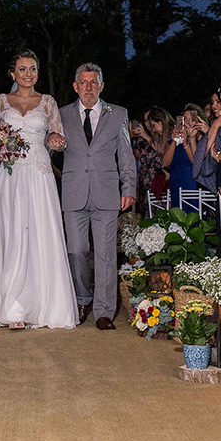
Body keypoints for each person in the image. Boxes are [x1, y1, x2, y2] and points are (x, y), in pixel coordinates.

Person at [0, 50, 77, 330]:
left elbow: (57, 137)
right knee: (11, 232)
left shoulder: (47, 102)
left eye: (32, 69)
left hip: (38, 174)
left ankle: (42, 304)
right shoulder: (1, 101)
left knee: (38, 233)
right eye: (22, 69)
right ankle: (11, 307)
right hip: (8, 176)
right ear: (12, 74)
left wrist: (57, 142)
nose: (28, 74)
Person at [59, 62, 137, 330]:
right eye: (84, 82)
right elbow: (49, 149)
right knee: (76, 251)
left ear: (102, 86)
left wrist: (128, 189)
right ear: (75, 86)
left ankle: (104, 311)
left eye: (94, 82)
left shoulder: (118, 114)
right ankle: (82, 299)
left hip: (107, 194)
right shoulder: (62, 114)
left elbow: (126, 155)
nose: (89, 87)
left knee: (105, 255)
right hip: (73, 193)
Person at [164, 104, 203, 208]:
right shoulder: (177, 141)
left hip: (192, 186)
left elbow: (197, 163)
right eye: (185, 119)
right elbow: (165, 163)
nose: (187, 123)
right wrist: (174, 140)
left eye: (191, 119)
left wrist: (188, 142)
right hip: (176, 184)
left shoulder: (201, 139)